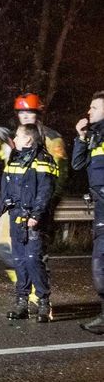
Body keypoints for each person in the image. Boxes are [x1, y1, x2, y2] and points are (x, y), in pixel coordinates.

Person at [0, 93, 67, 302]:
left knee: (35, 255)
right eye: (22, 112)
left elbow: (58, 178)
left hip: (38, 208)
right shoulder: (13, 138)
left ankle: (40, 299)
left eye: (30, 112)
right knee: (8, 249)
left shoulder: (51, 138)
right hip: (15, 206)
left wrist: (45, 209)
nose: (26, 116)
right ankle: (24, 294)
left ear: (38, 114)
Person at [0, 123, 57, 322]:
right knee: (19, 260)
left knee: (33, 260)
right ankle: (22, 303)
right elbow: (5, 192)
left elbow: (45, 192)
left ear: (28, 139)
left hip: (34, 220)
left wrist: (36, 215)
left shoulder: (44, 160)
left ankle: (44, 304)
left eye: (17, 136)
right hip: (16, 218)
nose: (14, 139)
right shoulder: (14, 160)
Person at [71, 91, 104, 333]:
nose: (88, 111)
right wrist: (81, 137)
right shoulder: (94, 137)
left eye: (93, 107)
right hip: (100, 209)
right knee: (100, 264)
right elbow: (77, 164)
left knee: (100, 263)